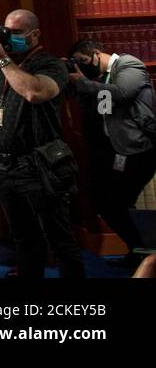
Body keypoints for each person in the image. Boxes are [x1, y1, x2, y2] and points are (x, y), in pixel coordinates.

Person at [0, 8, 85, 278]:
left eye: (16, 32)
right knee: (24, 240)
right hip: (5, 167)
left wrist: (3, 60)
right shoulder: (1, 66)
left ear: (35, 34)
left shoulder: (51, 64)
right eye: (6, 31)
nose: (9, 37)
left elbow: (34, 92)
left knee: (60, 241)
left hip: (39, 166)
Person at [67, 38, 156, 267]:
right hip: (116, 151)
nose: (84, 66)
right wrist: (75, 89)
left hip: (140, 149)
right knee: (104, 201)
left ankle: (144, 251)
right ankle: (139, 250)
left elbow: (122, 93)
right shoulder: (101, 80)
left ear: (97, 53)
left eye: (84, 61)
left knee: (117, 201)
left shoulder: (129, 65)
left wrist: (83, 82)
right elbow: (102, 111)